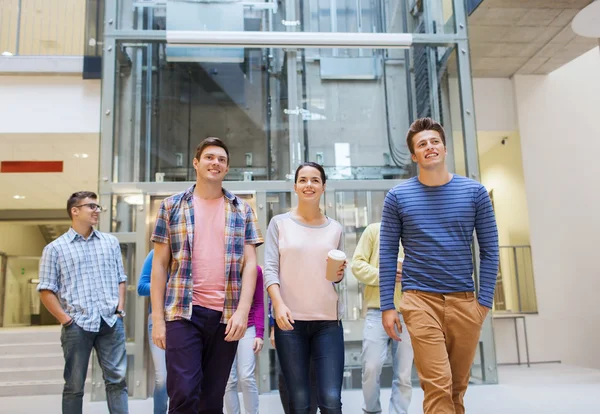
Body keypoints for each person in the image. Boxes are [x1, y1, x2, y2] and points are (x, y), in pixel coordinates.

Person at [379, 118, 499, 414]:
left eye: (434, 142)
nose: (429, 147)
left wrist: (483, 303)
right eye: (422, 145)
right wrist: (387, 305)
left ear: (444, 148)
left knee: (457, 388)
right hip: (420, 301)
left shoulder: (475, 193)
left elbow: (490, 250)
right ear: (414, 156)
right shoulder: (397, 197)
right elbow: (386, 253)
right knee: (438, 384)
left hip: (465, 302)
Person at [150, 137, 263, 414]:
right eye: (210, 157)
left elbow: (251, 265)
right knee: (184, 393)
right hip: (182, 313)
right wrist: (158, 319)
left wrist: (242, 312)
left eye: (222, 159)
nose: (216, 163)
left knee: (212, 399)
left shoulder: (243, 210)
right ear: (196, 163)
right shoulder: (171, 206)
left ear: (227, 168)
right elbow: (160, 266)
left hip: (225, 317)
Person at [264, 162, 346, 414]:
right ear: (295, 186)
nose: (308, 185)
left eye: (314, 180)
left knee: (331, 400)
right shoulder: (279, 223)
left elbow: (335, 277)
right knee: (299, 402)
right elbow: (270, 270)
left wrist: (340, 274)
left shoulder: (335, 228)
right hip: (290, 324)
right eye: (303, 180)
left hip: (328, 323)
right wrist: (278, 306)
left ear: (323, 187)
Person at [37, 191, 129, 414]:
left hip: (110, 322)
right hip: (77, 325)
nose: (97, 210)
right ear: (75, 211)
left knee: (117, 381)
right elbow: (46, 290)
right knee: (74, 386)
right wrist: (66, 320)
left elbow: (121, 278)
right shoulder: (55, 249)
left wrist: (119, 310)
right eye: (91, 206)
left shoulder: (110, 243)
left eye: (98, 206)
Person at [351, 222, 414, 414]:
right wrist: (383, 275)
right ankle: (371, 410)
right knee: (371, 367)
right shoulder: (374, 230)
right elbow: (357, 265)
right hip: (376, 311)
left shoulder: (416, 231)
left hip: (409, 312)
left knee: (404, 375)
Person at [224, 266, 265, 414]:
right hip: (224, 327)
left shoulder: (256, 270)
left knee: (247, 376)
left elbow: (259, 302)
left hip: (249, 326)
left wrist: (259, 334)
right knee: (229, 380)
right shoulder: (222, 264)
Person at [268, 301, 318, 414]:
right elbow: (272, 291)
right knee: (284, 375)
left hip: (316, 320)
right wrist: (272, 327)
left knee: (312, 373)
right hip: (286, 320)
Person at [137, 249, 168, 414]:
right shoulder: (156, 253)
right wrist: (169, 286)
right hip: (157, 321)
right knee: (162, 378)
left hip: (185, 323)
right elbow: (141, 287)